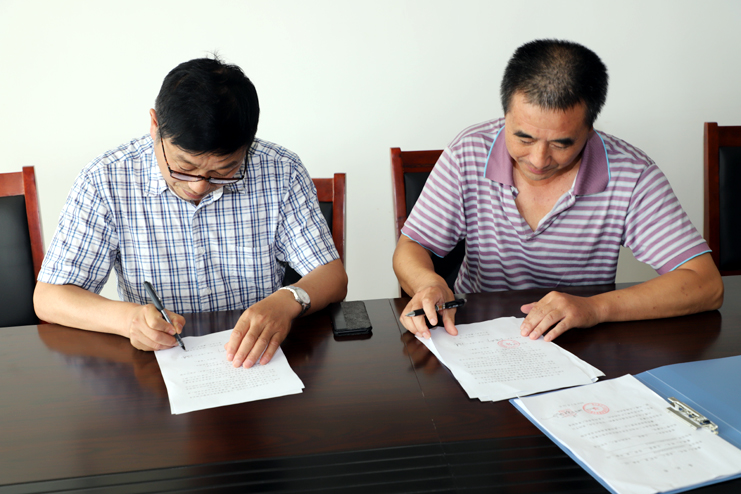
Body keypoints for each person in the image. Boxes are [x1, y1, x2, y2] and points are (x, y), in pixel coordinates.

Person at [393, 39, 723, 342]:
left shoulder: (631, 174)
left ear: (590, 130)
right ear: (506, 116)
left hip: (580, 341)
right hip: (473, 334)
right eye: (523, 138)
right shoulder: (468, 153)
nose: (538, 160)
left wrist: (595, 308)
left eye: (561, 144)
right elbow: (413, 245)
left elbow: (706, 284)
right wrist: (428, 283)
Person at [34, 57, 347, 368]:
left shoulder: (281, 171)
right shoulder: (105, 180)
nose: (199, 186)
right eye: (183, 168)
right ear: (155, 126)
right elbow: (49, 298)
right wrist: (129, 320)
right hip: (156, 367)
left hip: (255, 361)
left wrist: (289, 299)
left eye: (224, 172)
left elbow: (332, 276)